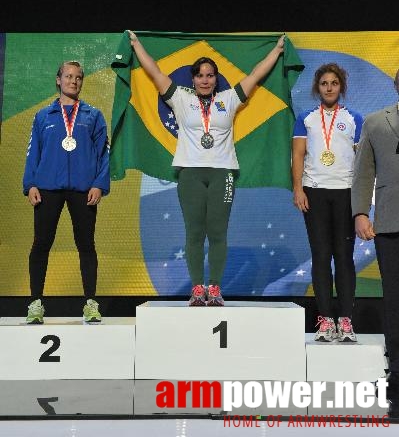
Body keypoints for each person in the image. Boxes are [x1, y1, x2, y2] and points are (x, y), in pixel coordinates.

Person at [128, 30, 285, 306]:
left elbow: (256, 75)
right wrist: (136, 44)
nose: (205, 79)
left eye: (210, 75)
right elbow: (153, 71)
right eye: (200, 75)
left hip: (222, 173)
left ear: (216, 78)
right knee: (194, 232)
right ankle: (197, 289)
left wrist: (277, 50)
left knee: (217, 232)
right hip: (190, 173)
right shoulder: (180, 99)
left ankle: (215, 288)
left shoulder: (229, 99)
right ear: (193, 79)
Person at [23, 61, 110, 324]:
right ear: (58, 80)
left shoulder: (93, 116)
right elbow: (32, 153)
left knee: (86, 245)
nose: (74, 81)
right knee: (41, 244)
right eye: (69, 76)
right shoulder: (43, 116)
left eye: (79, 77)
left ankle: (90, 304)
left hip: (84, 189)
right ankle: (36, 303)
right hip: (47, 187)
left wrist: (99, 184)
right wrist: (30, 185)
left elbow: (104, 154)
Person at [292, 63, 363, 342]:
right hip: (315, 191)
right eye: (324, 83)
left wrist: (361, 199)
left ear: (341, 86)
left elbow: (362, 163)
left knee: (344, 257)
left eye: (334, 83)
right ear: (317, 87)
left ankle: (345, 320)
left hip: (345, 192)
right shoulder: (306, 118)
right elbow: (298, 155)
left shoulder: (355, 118)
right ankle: (325, 321)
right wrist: (298, 189)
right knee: (321, 256)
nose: (329, 87)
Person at [352, 69, 399, 398]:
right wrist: (360, 213)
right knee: (394, 299)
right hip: (390, 221)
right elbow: (363, 173)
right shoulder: (376, 122)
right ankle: (396, 369)